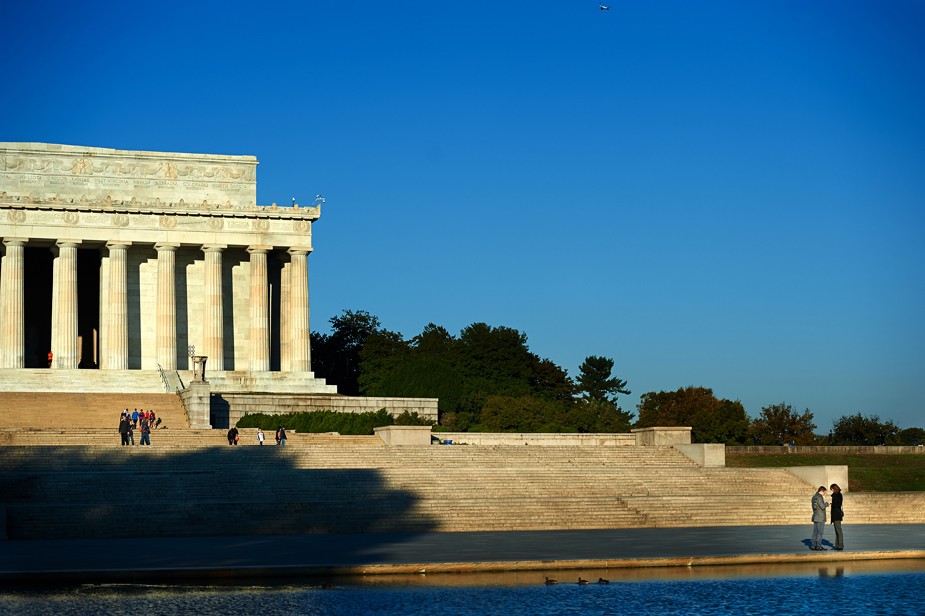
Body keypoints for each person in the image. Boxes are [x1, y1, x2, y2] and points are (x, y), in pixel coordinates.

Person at [811, 486, 829, 550]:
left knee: (815, 532)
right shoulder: (819, 497)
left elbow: (815, 507)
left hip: (815, 516)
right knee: (820, 532)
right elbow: (822, 507)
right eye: (824, 492)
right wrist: (827, 503)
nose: (824, 493)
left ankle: (813, 546)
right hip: (820, 517)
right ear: (822, 491)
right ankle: (818, 546)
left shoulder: (814, 497)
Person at [830, 483, 844, 550]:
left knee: (839, 530)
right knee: (836, 531)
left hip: (837, 515)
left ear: (834, 489)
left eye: (832, 489)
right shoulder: (835, 495)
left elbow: (838, 504)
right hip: (834, 515)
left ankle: (840, 545)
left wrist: (832, 505)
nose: (831, 491)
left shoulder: (839, 495)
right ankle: (836, 546)